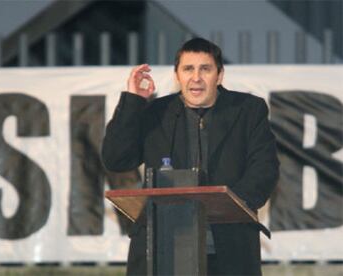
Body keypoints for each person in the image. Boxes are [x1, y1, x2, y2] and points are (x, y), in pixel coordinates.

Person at [102, 38, 279, 275]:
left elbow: (264, 169)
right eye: (188, 69)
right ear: (177, 75)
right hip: (161, 246)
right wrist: (133, 100)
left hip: (228, 248)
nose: (196, 77)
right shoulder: (155, 112)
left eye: (205, 69)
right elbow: (116, 159)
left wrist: (228, 205)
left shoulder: (248, 110)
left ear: (220, 75)